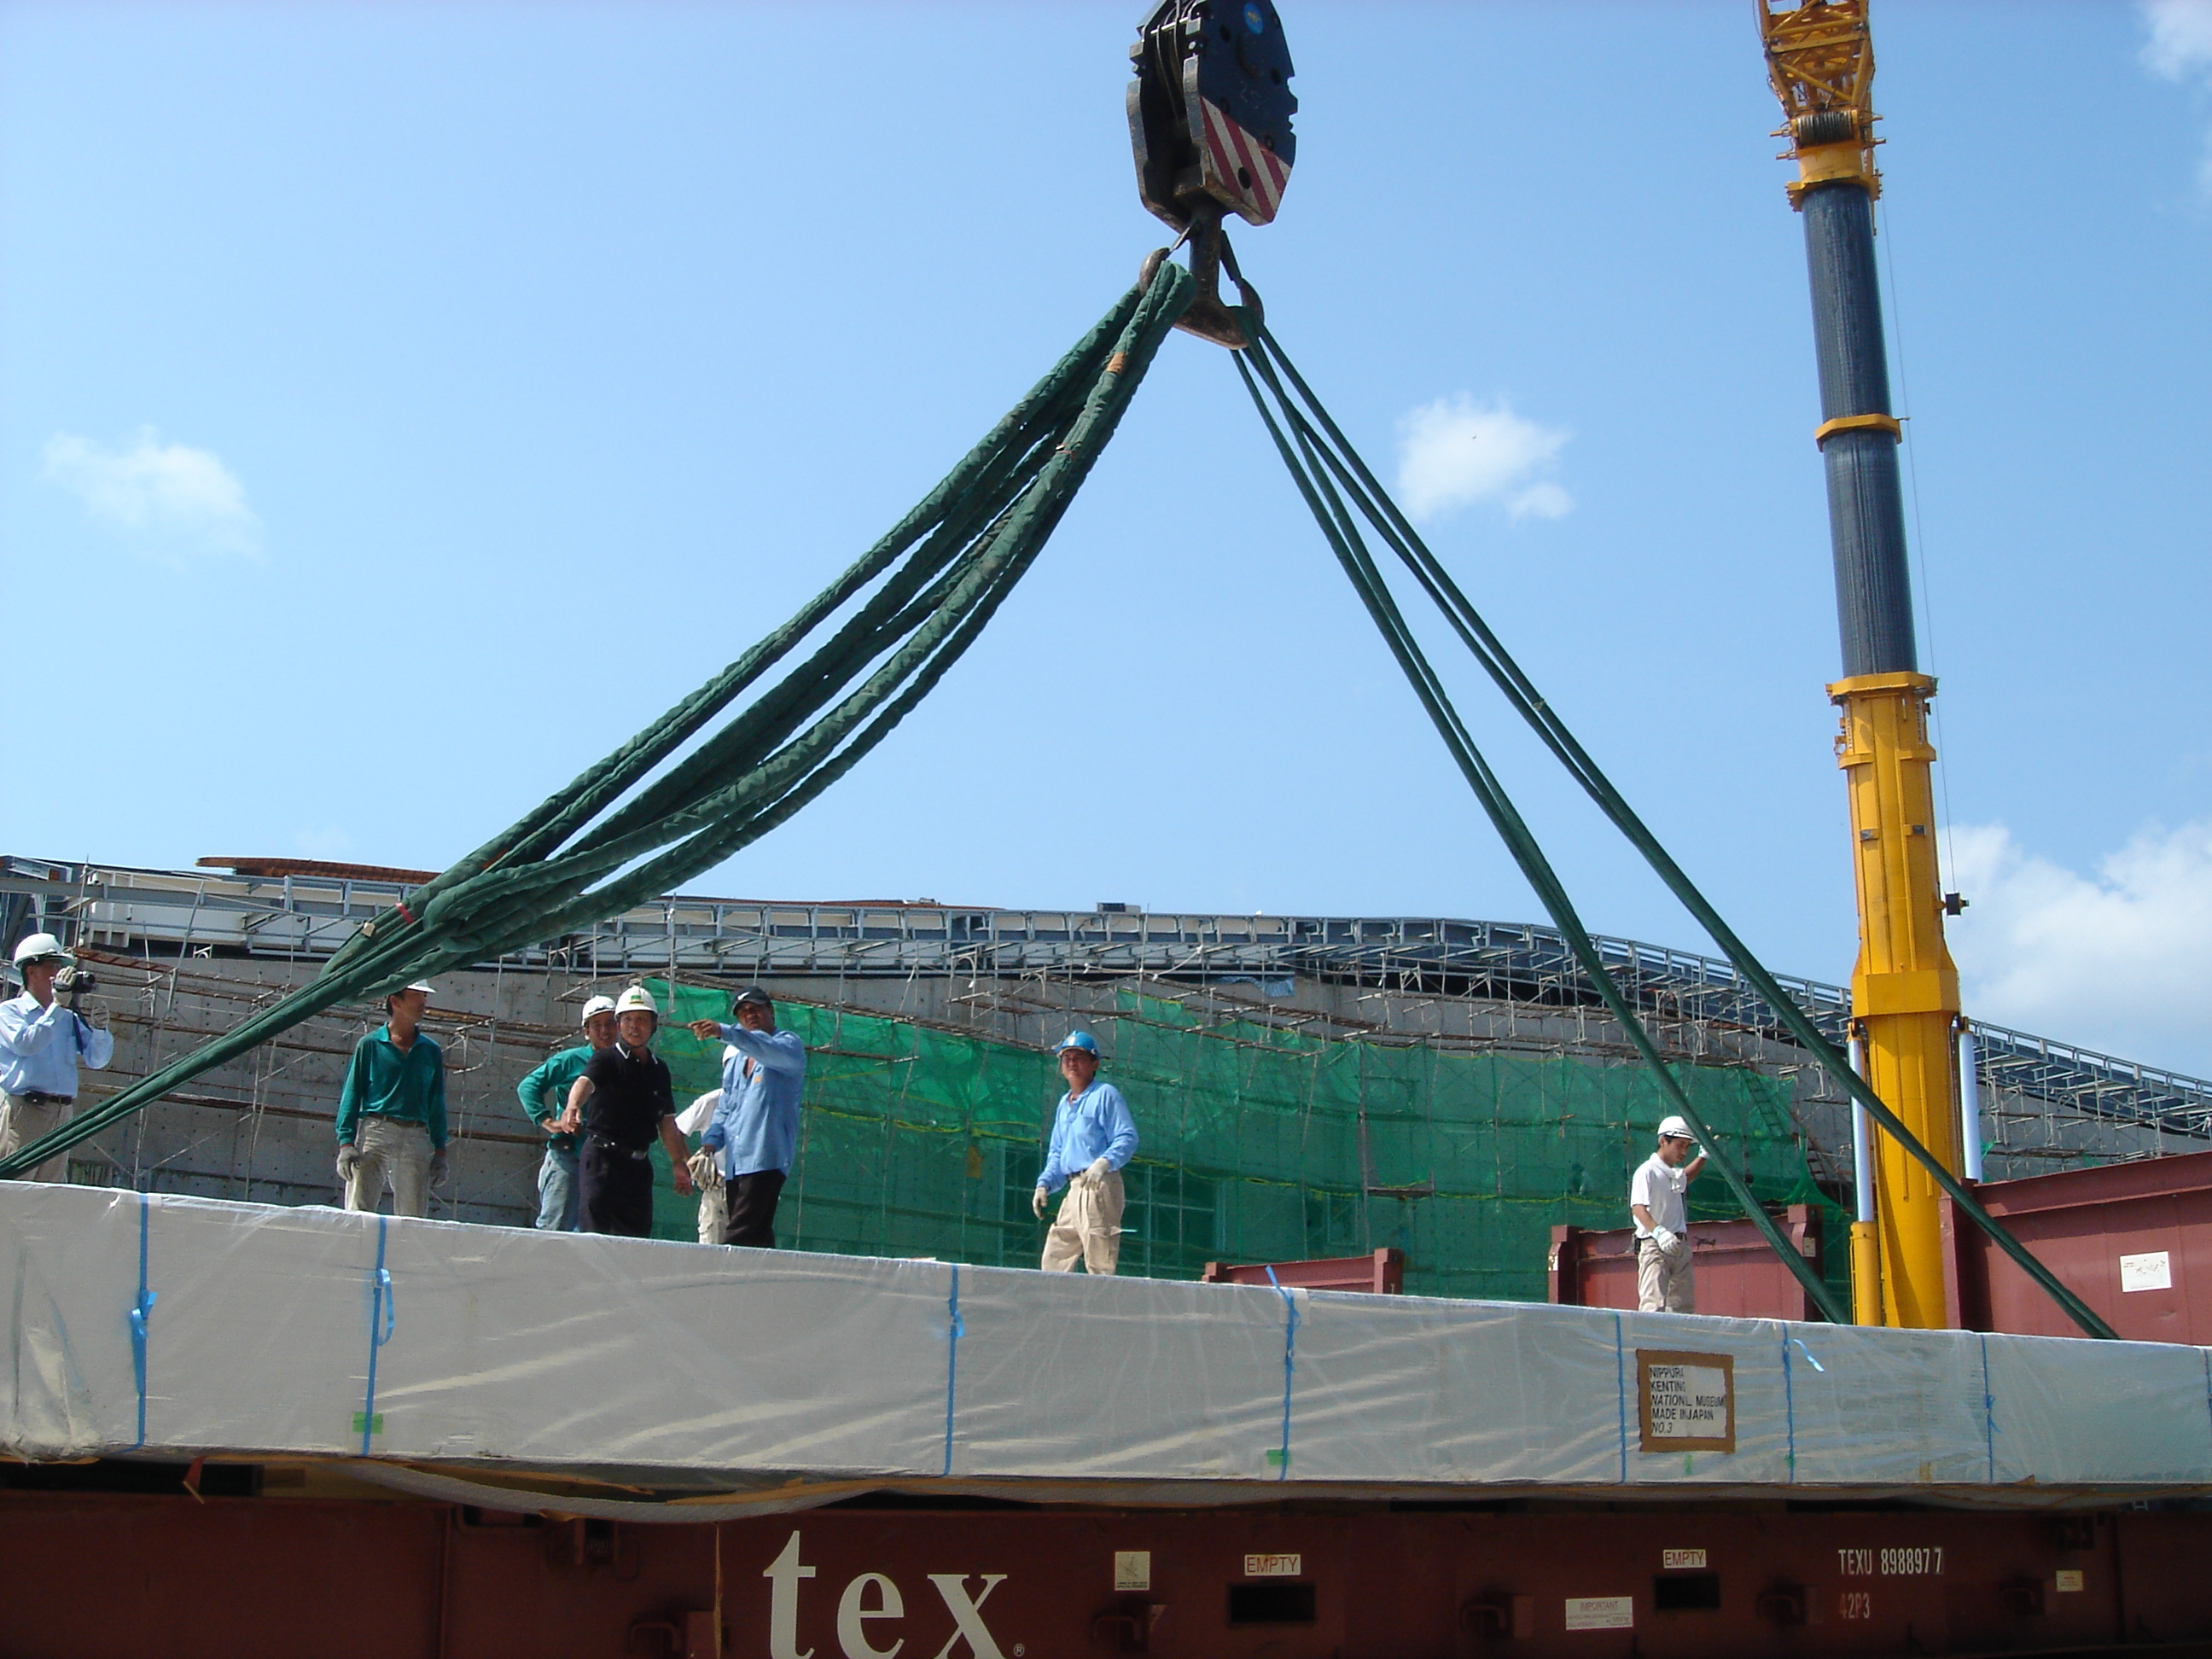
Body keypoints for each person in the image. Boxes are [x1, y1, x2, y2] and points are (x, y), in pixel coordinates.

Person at [557, 984, 692, 1237]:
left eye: (641, 1020)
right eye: (628, 1019)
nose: (634, 1026)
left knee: (635, 1239)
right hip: (602, 1160)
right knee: (595, 1236)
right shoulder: (606, 1059)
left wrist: (678, 1163)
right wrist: (573, 1107)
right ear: (619, 1025)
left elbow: (666, 1121)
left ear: (653, 1025)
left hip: (638, 1167)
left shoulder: (658, 1069)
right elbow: (584, 1083)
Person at [686, 985, 807, 1249]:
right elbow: (727, 1105)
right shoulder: (738, 1062)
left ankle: (730, 1283)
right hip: (736, 1163)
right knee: (756, 1233)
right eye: (743, 1013)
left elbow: (765, 1048)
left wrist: (725, 1032)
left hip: (765, 1157)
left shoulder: (788, 1045)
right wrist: (711, 1141)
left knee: (741, 1232)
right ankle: (767, 1282)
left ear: (770, 1011)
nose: (750, 1016)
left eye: (755, 1009)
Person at [0, 933, 115, 1182]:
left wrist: (100, 1031)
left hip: (61, 1113)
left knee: (51, 1190)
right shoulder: (9, 1012)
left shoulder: (67, 1017)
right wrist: (57, 1007)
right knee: (16, 1185)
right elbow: (27, 1044)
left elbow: (97, 1060)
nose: (60, 973)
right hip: (28, 1110)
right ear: (31, 972)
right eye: (53, 966)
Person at [335, 980, 448, 1218]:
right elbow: (353, 1093)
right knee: (359, 1211)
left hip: (416, 1134)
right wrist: (346, 1143)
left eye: (424, 997)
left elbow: (436, 1102)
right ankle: (356, 1253)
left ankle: (404, 1254)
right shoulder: (371, 1045)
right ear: (395, 1001)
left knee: (412, 1216)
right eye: (416, 996)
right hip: (376, 1129)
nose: (423, 1003)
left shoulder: (429, 1051)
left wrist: (440, 1151)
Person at [1032, 1031, 1138, 1275]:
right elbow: (1058, 1152)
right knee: (1057, 1251)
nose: (1071, 1062)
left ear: (1094, 1064)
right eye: (1066, 1057)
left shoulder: (1105, 1095)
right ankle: (1053, 1304)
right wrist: (1045, 1184)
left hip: (1099, 1183)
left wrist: (1104, 1163)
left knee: (1099, 1252)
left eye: (1078, 1057)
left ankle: (1102, 1308)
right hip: (1074, 1188)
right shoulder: (1064, 1103)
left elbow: (1127, 1137)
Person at [515, 994, 617, 1231]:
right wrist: (547, 1121)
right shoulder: (572, 1060)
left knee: (593, 1234)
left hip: (605, 1163)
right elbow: (528, 1086)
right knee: (556, 1230)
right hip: (568, 1158)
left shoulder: (625, 1063)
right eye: (597, 1025)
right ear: (586, 1031)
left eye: (610, 1023)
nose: (604, 1030)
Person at [1631, 1114, 1708, 1313]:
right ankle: (1649, 1344)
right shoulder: (1647, 1171)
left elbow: (1685, 1178)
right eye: (1679, 1145)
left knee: (1682, 1307)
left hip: (1679, 1246)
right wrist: (1659, 1232)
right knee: (1653, 1304)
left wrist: (1703, 1156)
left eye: (1687, 1146)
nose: (1683, 1152)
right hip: (1655, 1245)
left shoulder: (1671, 1173)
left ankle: (1676, 1345)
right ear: (1663, 1141)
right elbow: (1638, 1207)